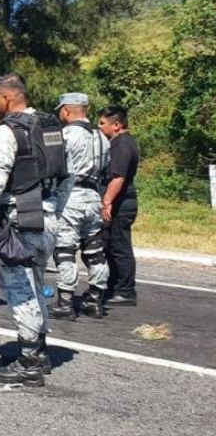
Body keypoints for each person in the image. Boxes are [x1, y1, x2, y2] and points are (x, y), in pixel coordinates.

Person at [0, 75, 54, 386]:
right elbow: (66, 176)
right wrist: (57, 210)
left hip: (20, 221)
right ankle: (39, 353)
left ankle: (28, 363)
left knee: (21, 290)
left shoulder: (6, 132)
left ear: (8, 98)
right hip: (49, 217)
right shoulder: (51, 125)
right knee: (38, 284)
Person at [49, 93, 110, 320]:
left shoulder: (64, 135)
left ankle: (65, 303)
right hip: (93, 197)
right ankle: (95, 300)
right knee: (95, 252)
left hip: (70, 197)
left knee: (65, 251)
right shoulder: (102, 137)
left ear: (66, 110)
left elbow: (55, 167)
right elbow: (105, 168)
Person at [98, 105, 139, 306]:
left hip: (120, 204)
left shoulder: (122, 145)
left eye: (102, 123)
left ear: (116, 125)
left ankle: (126, 291)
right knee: (111, 246)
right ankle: (114, 286)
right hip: (119, 202)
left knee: (119, 246)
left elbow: (118, 177)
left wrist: (107, 201)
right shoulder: (119, 142)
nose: (100, 128)